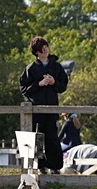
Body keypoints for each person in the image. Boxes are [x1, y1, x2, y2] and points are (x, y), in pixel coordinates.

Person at [18, 36, 69, 173]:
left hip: (52, 109)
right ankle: (40, 166)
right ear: (36, 52)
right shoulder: (30, 69)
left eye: (46, 47)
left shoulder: (56, 67)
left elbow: (63, 86)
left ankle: (55, 166)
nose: (45, 50)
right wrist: (38, 84)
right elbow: (24, 89)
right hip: (37, 110)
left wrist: (54, 82)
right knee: (38, 138)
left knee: (52, 138)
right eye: (42, 49)